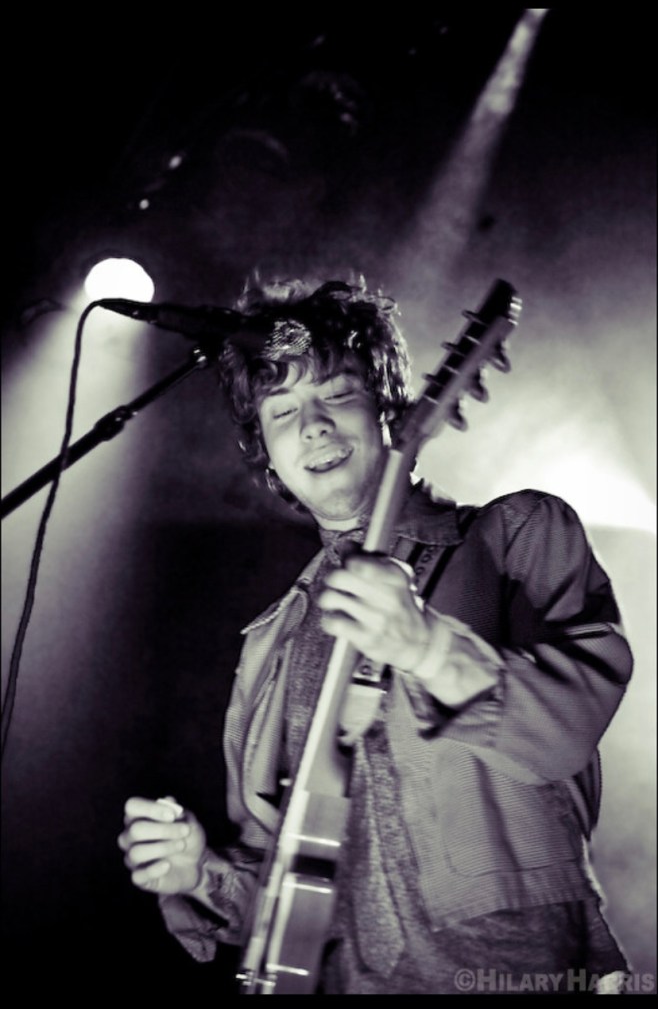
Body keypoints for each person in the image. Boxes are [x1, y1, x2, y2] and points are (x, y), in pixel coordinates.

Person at [118, 276, 633, 994]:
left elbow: (570, 723)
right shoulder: (271, 643)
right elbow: (289, 891)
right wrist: (198, 872)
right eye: (283, 410)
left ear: (390, 405)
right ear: (264, 451)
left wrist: (427, 647)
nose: (313, 426)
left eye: (337, 393)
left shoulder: (516, 533)